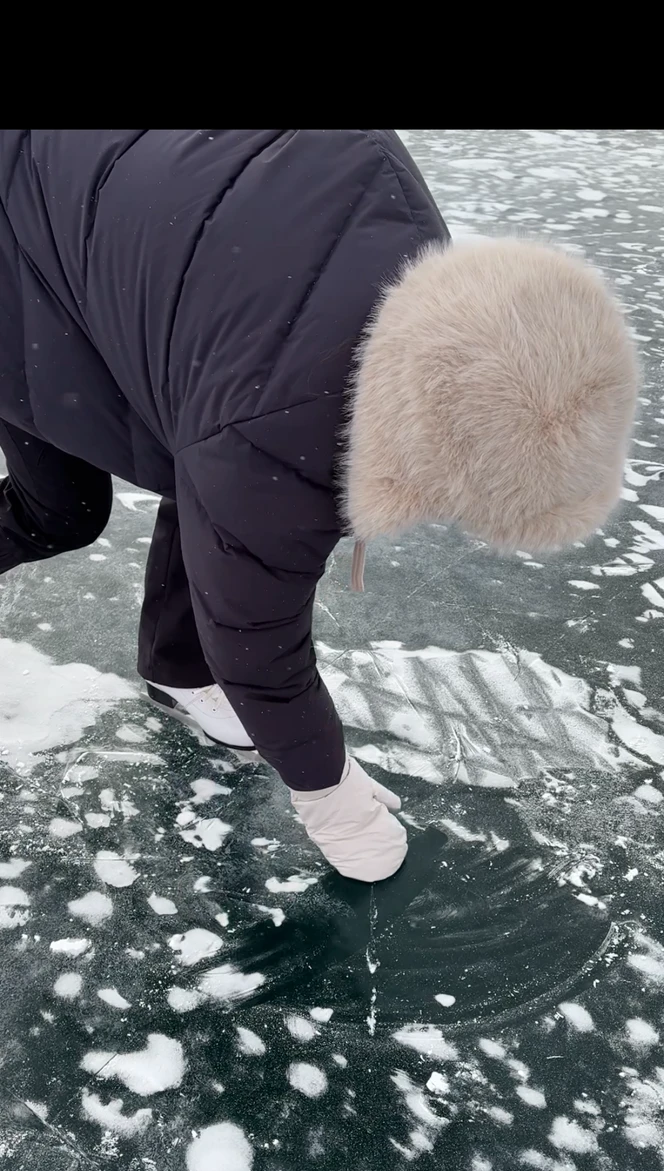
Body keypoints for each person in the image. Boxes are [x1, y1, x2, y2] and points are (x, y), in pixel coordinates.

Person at [0, 130, 638, 882]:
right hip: (21, 246)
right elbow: (255, 636)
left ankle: (176, 669)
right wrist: (329, 792)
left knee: (203, 468)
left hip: (113, 209)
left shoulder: (420, 263)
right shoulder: (283, 423)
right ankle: (178, 663)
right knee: (61, 512)